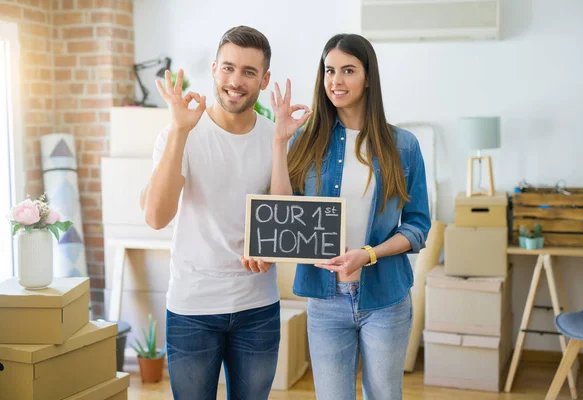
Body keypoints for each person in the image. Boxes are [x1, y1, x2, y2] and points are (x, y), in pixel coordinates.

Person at [267, 33, 431, 399]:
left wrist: (368, 254)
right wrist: (279, 142)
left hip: (385, 298)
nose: (335, 81)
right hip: (325, 299)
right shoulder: (306, 140)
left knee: (384, 394)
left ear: (368, 76)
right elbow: (283, 211)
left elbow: (419, 225)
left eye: (347, 70)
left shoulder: (403, 145)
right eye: (329, 71)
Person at [140, 26, 281, 400]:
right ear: (215, 69)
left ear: (264, 80)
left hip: (258, 307)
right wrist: (179, 131)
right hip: (193, 307)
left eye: (249, 72)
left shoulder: (276, 138)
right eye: (228, 68)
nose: (236, 81)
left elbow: (283, 221)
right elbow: (156, 216)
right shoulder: (180, 132)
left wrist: (273, 251)